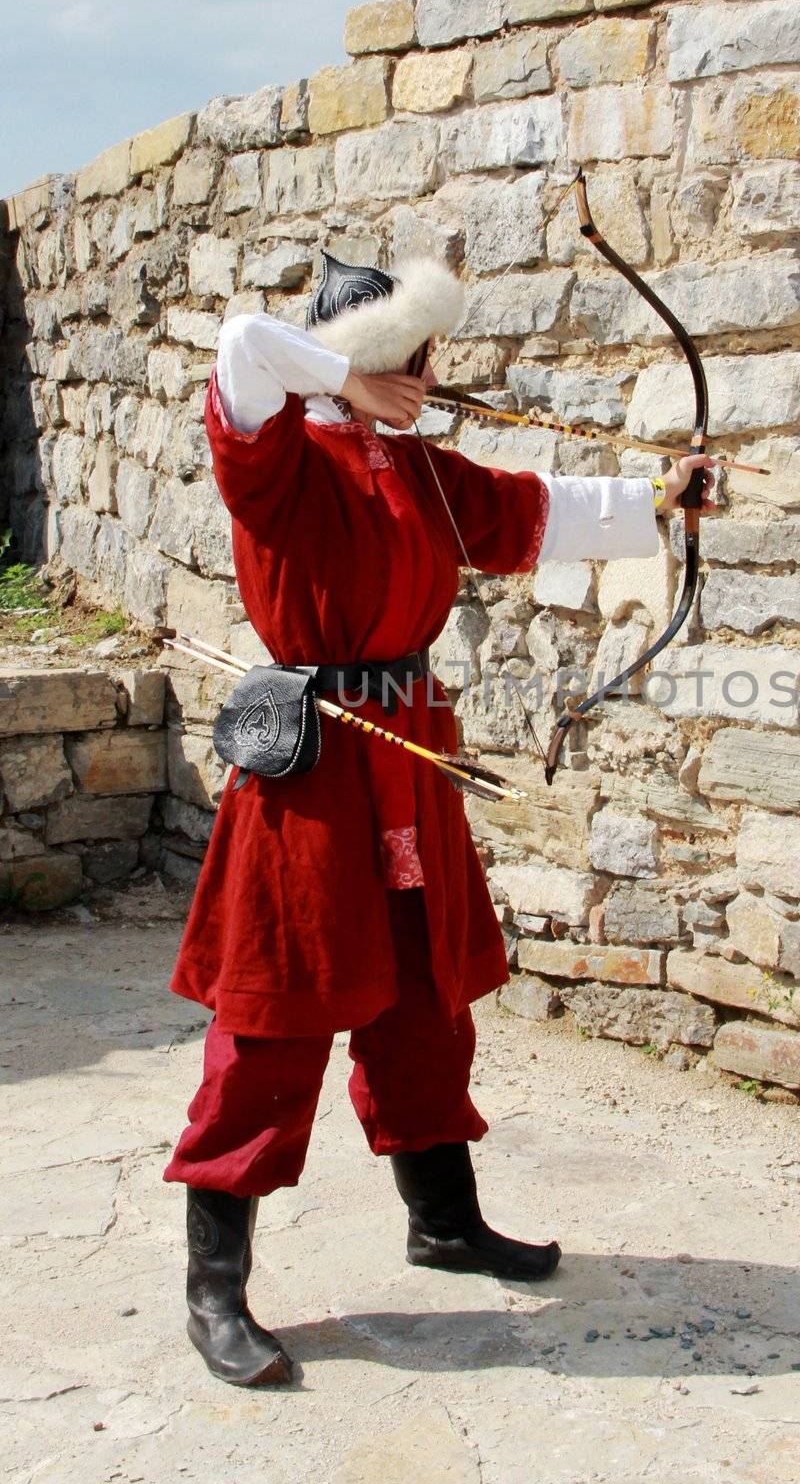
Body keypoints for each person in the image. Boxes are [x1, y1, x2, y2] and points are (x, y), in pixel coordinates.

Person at [163, 250, 714, 1387]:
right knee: (276, 1014)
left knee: (421, 995)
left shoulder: (417, 469)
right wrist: (347, 385)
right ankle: (213, 1282)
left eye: (422, 358)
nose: (421, 377)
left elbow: (530, 510)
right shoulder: (271, 455)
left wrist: (662, 496)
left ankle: (445, 1220)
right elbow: (241, 348)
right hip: (314, 769)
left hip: (407, 756)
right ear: (356, 362)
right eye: (401, 359)